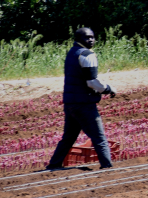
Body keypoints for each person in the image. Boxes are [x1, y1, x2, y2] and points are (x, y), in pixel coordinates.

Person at [45, 28, 117, 170]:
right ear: (79, 39)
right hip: (84, 103)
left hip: (70, 102)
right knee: (99, 137)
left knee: (69, 137)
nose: (91, 40)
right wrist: (108, 89)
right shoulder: (87, 54)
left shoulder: (72, 52)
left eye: (92, 37)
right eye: (87, 38)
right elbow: (91, 82)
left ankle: (54, 164)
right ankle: (107, 166)